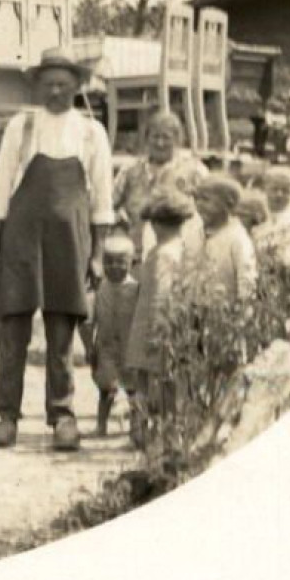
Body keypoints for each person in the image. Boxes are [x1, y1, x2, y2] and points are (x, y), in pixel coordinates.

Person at [0, 48, 115, 452]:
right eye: (48, 84)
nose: (56, 91)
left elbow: (103, 200)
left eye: (63, 84)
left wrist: (96, 254)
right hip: (22, 239)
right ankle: (5, 415)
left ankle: (62, 416)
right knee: (14, 332)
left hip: (69, 242)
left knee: (61, 335)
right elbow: (1, 189)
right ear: (36, 86)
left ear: (78, 86)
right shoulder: (20, 127)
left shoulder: (92, 132)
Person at [122, 191, 195, 448]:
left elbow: (162, 293)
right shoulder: (179, 249)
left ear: (155, 224)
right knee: (156, 377)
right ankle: (154, 429)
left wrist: (157, 328)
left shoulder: (162, 253)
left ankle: (146, 429)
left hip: (153, 324)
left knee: (149, 378)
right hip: (157, 321)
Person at [112, 110, 207, 258]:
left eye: (166, 138)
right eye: (155, 137)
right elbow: (109, 204)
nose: (160, 143)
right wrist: (119, 228)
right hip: (135, 253)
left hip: (178, 253)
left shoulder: (193, 170)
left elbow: (212, 203)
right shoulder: (131, 169)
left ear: (177, 140)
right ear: (146, 139)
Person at [86, 232, 139, 437]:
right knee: (106, 390)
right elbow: (91, 322)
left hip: (130, 348)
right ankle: (101, 426)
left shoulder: (136, 289)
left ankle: (136, 428)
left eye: (120, 262)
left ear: (131, 262)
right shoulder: (100, 290)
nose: (114, 267)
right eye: (108, 262)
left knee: (134, 390)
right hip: (106, 346)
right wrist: (90, 347)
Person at [186, 175, 259, 309]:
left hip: (221, 312)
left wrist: (242, 311)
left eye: (206, 200)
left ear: (228, 205)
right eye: (197, 199)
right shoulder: (195, 232)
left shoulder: (237, 238)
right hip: (192, 308)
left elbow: (246, 280)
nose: (199, 205)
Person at [253, 165, 290, 269]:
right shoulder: (254, 212)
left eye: (285, 191)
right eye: (274, 189)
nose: (279, 194)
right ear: (265, 188)